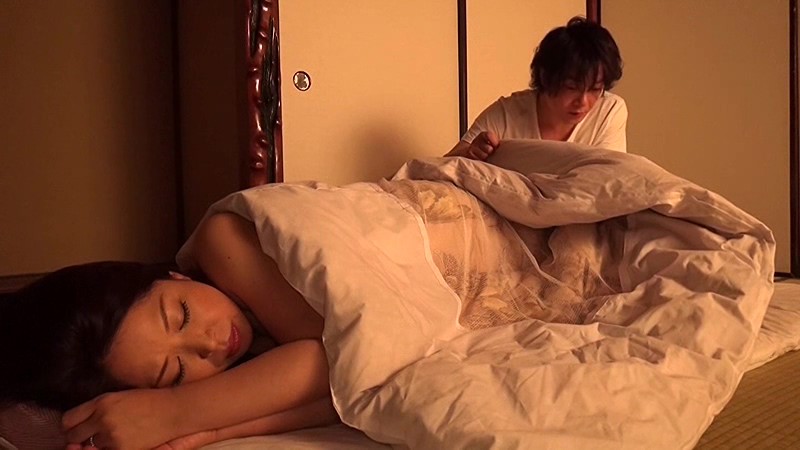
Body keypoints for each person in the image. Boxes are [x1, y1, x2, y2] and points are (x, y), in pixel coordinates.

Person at [0, 212, 338, 449]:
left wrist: (171, 413)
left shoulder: (220, 240)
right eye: (177, 372)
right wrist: (207, 434)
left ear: (173, 277)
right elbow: (338, 402)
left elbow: (334, 357)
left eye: (182, 316)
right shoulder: (253, 364)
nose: (208, 345)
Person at [446, 16, 627, 161]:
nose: (583, 102)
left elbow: (608, 178)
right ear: (546, 77)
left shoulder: (609, 111)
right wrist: (471, 152)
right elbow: (445, 165)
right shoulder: (507, 113)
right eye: (571, 88)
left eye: (595, 89)